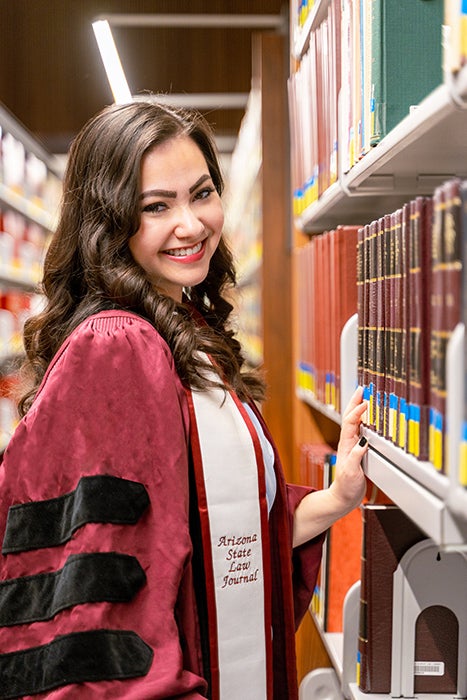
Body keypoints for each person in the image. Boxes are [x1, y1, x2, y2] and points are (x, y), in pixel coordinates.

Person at [0, 100, 368, 699]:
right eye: (156, 206)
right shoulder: (116, 347)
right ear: (108, 222)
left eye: (201, 193)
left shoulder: (185, 333)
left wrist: (335, 498)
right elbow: (102, 610)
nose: (191, 224)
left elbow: (211, 545)